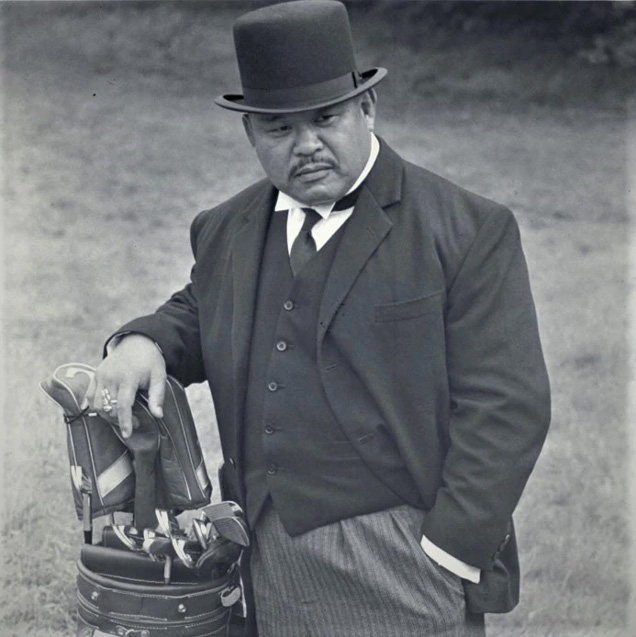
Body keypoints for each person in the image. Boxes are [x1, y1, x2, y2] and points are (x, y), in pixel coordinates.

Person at [89, 1, 551, 635]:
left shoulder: (467, 230)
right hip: (262, 543)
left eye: (325, 118)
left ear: (367, 109)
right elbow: (201, 308)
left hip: (401, 553)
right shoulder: (226, 228)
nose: (306, 145)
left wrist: (449, 552)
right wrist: (144, 338)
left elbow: (509, 406)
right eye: (278, 128)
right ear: (250, 133)